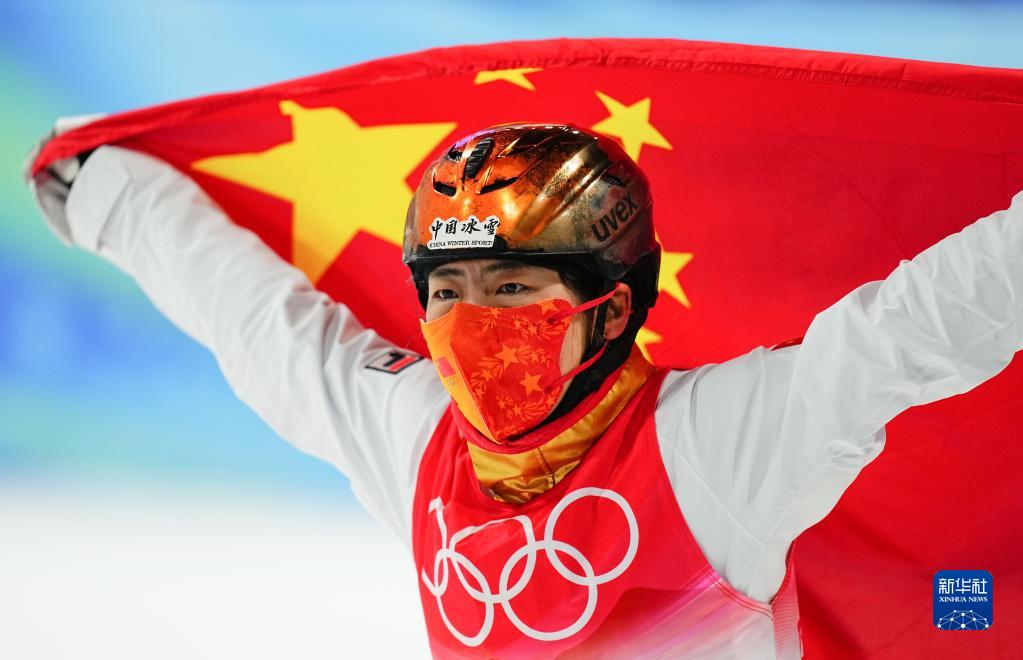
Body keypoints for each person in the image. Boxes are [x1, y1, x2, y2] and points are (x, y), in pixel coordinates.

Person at [26, 122, 1023, 659]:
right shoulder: (417, 436)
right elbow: (259, 326)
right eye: (446, 290)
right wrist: (117, 198)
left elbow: (912, 330)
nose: (471, 323)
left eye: (511, 289)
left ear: (611, 308)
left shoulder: (712, 449)